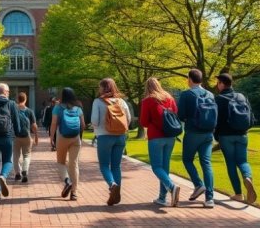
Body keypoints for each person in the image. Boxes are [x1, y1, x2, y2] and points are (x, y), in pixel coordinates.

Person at [214, 73, 257, 204]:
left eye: (218, 83)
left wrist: (217, 137)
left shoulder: (219, 99)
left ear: (222, 83)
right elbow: (251, 116)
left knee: (231, 164)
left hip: (226, 136)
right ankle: (247, 177)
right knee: (243, 161)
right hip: (242, 135)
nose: (217, 85)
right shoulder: (241, 96)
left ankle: (238, 194)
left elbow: (216, 120)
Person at [177, 69, 216, 208]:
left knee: (187, 160)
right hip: (208, 133)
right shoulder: (210, 94)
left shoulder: (186, 94)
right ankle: (210, 198)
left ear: (190, 79)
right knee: (206, 163)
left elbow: (180, 115)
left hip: (193, 132)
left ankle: (199, 184)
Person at [140, 77, 181, 207]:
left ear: (147, 87)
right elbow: (175, 114)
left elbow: (143, 122)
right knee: (165, 168)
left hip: (156, 137)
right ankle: (162, 198)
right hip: (170, 136)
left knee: (156, 167)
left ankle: (172, 186)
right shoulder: (170, 98)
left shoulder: (148, 101)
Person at [90, 78, 131, 206]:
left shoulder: (98, 101)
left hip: (104, 137)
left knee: (104, 166)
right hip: (120, 137)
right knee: (116, 166)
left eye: (100, 87)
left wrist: (96, 127)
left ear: (103, 88)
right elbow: (128, 119)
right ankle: (115, 194)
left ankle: (112, 185)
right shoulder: (121, 101)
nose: (99, 89)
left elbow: (95, 121)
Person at [50, 88, 85, 201]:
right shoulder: (78, 107)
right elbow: (83, 124)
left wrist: (51, 138)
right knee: (74, 164)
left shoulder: (58, 107)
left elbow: (54, 123)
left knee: (61, 162)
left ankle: (67, 181)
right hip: (75, 138)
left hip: (62, 137)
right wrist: (79, 136)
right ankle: (74, 192)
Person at [13, 92, 38, 183]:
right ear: (26, 99)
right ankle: (25, 171)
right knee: (26, 155)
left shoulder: (13, 110)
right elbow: (34, 126)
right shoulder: (29, 111)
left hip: (15, 136)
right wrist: (36, 136)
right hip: (26, 136)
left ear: (17, 99)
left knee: (15, 156)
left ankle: (17, 174)